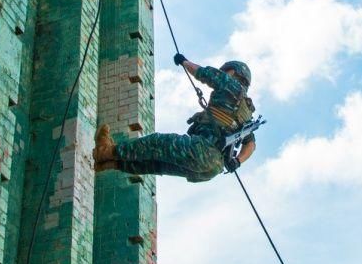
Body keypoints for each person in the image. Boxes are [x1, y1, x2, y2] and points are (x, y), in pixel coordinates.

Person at [93, 55, 257, 182]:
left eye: (225, 71)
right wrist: (237, 161)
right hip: (212, 168)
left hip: (202, 150)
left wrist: (184, 61)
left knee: (156, 144)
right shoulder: (247, 112)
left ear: (233, 73)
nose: (223, 73)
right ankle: (109, 163)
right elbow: (251, 144)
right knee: (158, 164)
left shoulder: (231, 84)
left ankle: (107, 151)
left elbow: (203, 73)